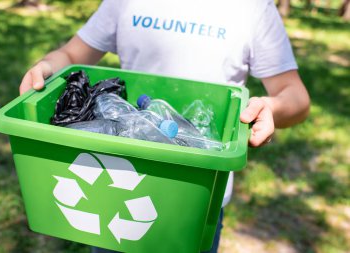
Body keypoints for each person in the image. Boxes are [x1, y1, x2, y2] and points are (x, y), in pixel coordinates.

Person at [19, 0, 310, 252]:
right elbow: (71, 56)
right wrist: (46, 66)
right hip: (115, 185)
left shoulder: (252, 8)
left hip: (195, 196)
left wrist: (270, 108)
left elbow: (294, 96)